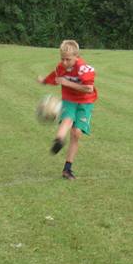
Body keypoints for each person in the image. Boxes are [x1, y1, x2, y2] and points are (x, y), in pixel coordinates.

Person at [37, 40, 98, 180]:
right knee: (67, 119)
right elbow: (55, 76)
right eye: (62, 59)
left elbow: (88, 89)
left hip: (85, 102)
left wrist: (67, 82)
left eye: (68, 59)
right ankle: (58, 140)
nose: (64, 62)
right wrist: (45, 81)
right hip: (69, 100)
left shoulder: (84, 69)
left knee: (76, 134)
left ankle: (67, 168)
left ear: (77, 56)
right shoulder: (61, 67)